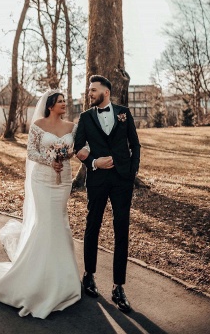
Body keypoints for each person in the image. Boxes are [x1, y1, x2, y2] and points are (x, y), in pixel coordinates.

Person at [0, 89, 81, 319]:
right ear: (50, 105)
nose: (64, 105)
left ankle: (65, 278)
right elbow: (31, 152)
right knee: (46, 223)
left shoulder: (72, 127)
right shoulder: (38, 124)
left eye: (64, 101)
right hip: (42, 180)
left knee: (60, 221)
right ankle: (37, 278)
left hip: (64, 181)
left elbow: (73, 151)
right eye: (60, 102)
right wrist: (50, 159)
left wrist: (63, 157)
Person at [74, 75, 140, 313]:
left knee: (122, 229)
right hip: (98, 180)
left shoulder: (124, 113)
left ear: (106, 92)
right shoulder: (85, 117)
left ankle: (118, 286)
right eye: (89, 90)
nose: (89, 93)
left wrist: (132, 172)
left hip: (122, 180)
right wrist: (94, 163)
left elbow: (135, 144)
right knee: (93, 225)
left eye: (93, 90)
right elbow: (77, 148)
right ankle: (89, 275)